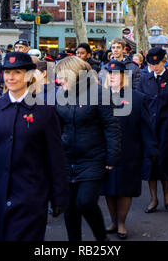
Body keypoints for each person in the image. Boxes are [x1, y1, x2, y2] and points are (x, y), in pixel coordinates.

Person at [0, 52, 68, 241]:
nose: (10, 77)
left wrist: (58, 195)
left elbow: (55, 156)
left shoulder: (45, 111)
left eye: (17, 72)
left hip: (31, 197)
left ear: (28, 75)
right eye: (7, 72)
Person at [55, 56, 121, 242]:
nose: (59, 81)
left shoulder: (100, 94)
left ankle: (102, 239)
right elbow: (56, 127)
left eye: (63, 77)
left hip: (93, 159)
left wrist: (112, 157)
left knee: (85, 202)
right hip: (67, 159)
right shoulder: (60, 95)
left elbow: (112, 126)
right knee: (70, 207)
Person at [101, 60, 157, 240]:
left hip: (130, 152)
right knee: (108, 189)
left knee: (125, 189)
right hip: (105, 152)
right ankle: (113, 221)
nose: (111, 77)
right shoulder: (97, 97)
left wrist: (151, 151)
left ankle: (122, 223)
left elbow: (146, 127)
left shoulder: (138, 97)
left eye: (115, 74)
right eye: (109, 74)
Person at [140, 47, 168, 213]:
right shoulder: (144, 79)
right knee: (149, 164)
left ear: (164, 61)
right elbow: (140, 104)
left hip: (167, 128)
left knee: (164, 162)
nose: (154, 67)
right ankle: (153, 198)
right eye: (151, 64)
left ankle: (166, 192)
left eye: (157, 63)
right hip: (148, 129)